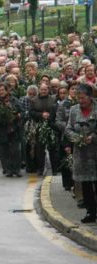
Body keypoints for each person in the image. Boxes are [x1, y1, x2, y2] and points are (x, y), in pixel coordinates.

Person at [65, 84, 97, 223]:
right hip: (82, 153)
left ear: (90, 97)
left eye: (83, 98)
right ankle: (91, 211)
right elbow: (68, 129)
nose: (81, 100)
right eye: (78, 98)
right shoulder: (74, 110)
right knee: (86, 184)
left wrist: (93, 137)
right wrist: (76, 138)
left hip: (95, 151)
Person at [0, 83, 23, 177]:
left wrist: (18, 116)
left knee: (15, 150)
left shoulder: (15, 101)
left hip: (15, 129)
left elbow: (22, 112)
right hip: (2, 130)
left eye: (2, 90)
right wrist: (4, 119)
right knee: (3, 151)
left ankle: (17, 169)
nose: (1, 92)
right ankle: (7, 169)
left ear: (7, 90)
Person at [30, 83, 57, 175]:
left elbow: (57, 110)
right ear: (39, 90)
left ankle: (54, 169)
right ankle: (40, 168)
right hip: (39, 126)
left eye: (45, 89)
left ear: (48, 90)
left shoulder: (53, 99)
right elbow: (31, 112)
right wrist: (41, 115)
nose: (44, 91)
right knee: (40, 149)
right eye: (42, 89)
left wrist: (50, 115)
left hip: (51, 126)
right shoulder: (34, 100)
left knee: (52, 148)